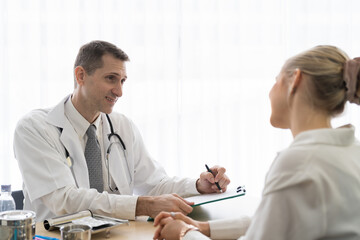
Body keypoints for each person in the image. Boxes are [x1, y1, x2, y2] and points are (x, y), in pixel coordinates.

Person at [153, 45, 360, 240]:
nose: (270, 92)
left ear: (295, 79)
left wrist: (185, 233)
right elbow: (273, 219)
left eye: (276, 80)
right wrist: (203, 228)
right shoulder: (351, 152)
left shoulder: (300, 162)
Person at [13, 40, 230, 222]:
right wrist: (142, 206)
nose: (119, 91)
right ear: (80, 76)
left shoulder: (122, 126)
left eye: (123, 81)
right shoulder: (34, 128)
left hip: (118, 234)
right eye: (111, 79)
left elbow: (154, 184)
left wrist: (199, 185)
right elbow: (64, 200)